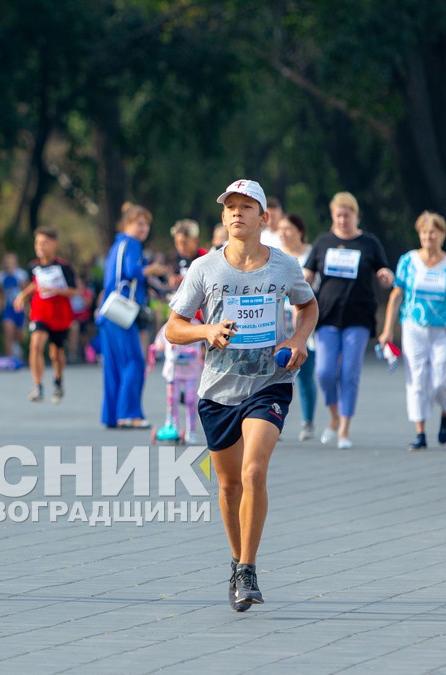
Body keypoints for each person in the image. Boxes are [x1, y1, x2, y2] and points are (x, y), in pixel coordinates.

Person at [166, 179, 317, 611]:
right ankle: (236, 561)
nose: (236, 213)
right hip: (218, 391)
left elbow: (308, 306)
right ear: (223, 217)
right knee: (230, 486)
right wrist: (205, 330)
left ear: (263, 218)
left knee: (253, 472)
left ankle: (249, 568)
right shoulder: (204, 269)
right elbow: (173, 328)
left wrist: (299, 341)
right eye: (230, 207)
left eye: (246, 207)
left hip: (269, 383)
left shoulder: (283, 266)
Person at [378, 212, 446, 451]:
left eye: (433, 232)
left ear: (443, 235)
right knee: (417, 379)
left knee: (442, 380)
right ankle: (420, 432)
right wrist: (387, 330)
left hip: (444, 328)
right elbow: (396, 296)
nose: (428, 236)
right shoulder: (408, 261)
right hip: (414, 326)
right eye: (424, 232)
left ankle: (445, 411)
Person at [304, 192, 393, 448]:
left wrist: (385, 275)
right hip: (327, 315)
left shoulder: (369, 242)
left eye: (347, 215)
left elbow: (382, 269)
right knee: (324, 372)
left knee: (349, 372)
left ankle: (344, 428)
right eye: (338, 215)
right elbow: (307, 274)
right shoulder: (323, 242)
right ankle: (333, 416)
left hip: (359, 315)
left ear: (356, 215)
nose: (343, 220)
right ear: (333, 216)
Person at [99, 203, 164, 429]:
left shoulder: (117, 245)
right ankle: (129, 414)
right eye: (139, 223)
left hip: (108, 312)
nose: (144, 228)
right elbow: (131, 271)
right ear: (127, 224)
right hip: (122, 313)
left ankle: (112, 415)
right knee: (135, 361)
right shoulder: (133, 244)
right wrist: (152, 270)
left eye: (146, 224)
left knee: (114, 366)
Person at [13, 227, 77, 403]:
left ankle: (58, 381)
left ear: (54, 245)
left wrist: (55, 289)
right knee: (35, 345)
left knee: (56, 354)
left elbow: (74, 291)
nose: (40, 246)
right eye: (38, 243)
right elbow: (35, 284)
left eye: (44, 243)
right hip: (40, 313)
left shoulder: (63, 266)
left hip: (60, 315)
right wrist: (22, 296)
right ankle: (38, 386)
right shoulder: (33, 266)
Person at [277, 213, 319, 441]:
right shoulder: (274, 255)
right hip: (278, 324)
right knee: (277, 375)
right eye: (281, 229)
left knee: (304, 376)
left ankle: (308, 422)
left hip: (304, 323)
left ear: (300, 231)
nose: (283, 233)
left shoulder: (312, 254)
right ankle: (274, 421)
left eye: (288, 229)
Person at [148, 320, 204, 445]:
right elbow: (159, 343)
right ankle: (173, 427)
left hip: (191, 370)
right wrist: (160, 348)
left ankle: (192, 430)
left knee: (190, 400)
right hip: (173, 371)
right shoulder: (170, 325)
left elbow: (204, 344)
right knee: (172, 400)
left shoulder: (196, 326)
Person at [0, 252, 29, 359]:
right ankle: (9, 359)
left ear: (15, 263)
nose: (8, 265)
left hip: (20, 308)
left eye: (10, 262)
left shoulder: (21, 275)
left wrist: (28, 308)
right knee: (8, 331)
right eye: (6, 262)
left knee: (20, 335)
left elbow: (26, 292)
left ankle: (16, 346)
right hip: (8, 308)